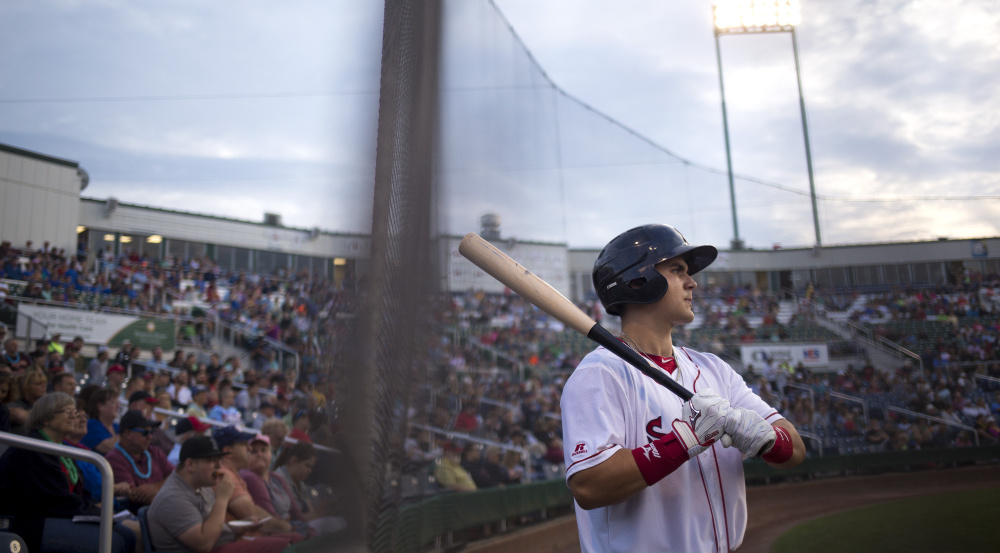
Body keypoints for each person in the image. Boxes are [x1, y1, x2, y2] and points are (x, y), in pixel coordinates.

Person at [560, 224, 805, 553]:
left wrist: (769, 440)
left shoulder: (712, 368)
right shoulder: (600, 374)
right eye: (677, 270)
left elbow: (796, 451)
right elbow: (589, 486)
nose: (692, 283)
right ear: (639, 281)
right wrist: (685, 440)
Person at [0, 393, 138, 553]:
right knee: (114, 541)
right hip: (30, 524)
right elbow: (54, 501)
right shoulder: (30, 449)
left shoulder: (61, 450)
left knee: (128, 536)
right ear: (46, 418)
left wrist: (94, 505)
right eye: (69, 412)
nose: (75, 417)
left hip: (59, 515)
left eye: (76, 412)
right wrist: (95, 510)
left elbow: (80, 492)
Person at [147, 435, 297, 553]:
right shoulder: (173, 497)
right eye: (211, 460)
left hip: (220, 545)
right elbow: (204, 544)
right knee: (282, 546)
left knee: (295, 539)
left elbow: (212, 526)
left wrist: (240, 527)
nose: (219, 466)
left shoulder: (200, 486)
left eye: (219, 459)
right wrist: (222, 498)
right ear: (190, 465)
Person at [106, 410, 175, 508]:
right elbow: (136, 495)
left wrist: (155, 488)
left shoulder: (154, 452)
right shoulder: (114, 459)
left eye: (151, 432)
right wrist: (167, 487)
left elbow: (177, 476)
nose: (150, 437)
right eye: (145, 433)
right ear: (128, 433)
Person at [82, 387, 120, 453]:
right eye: (113, 402)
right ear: (100, 406)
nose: (118, 406)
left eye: (118, 403)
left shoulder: (117, 427)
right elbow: (106, 447)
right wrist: (128, 431)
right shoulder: (91, 425)